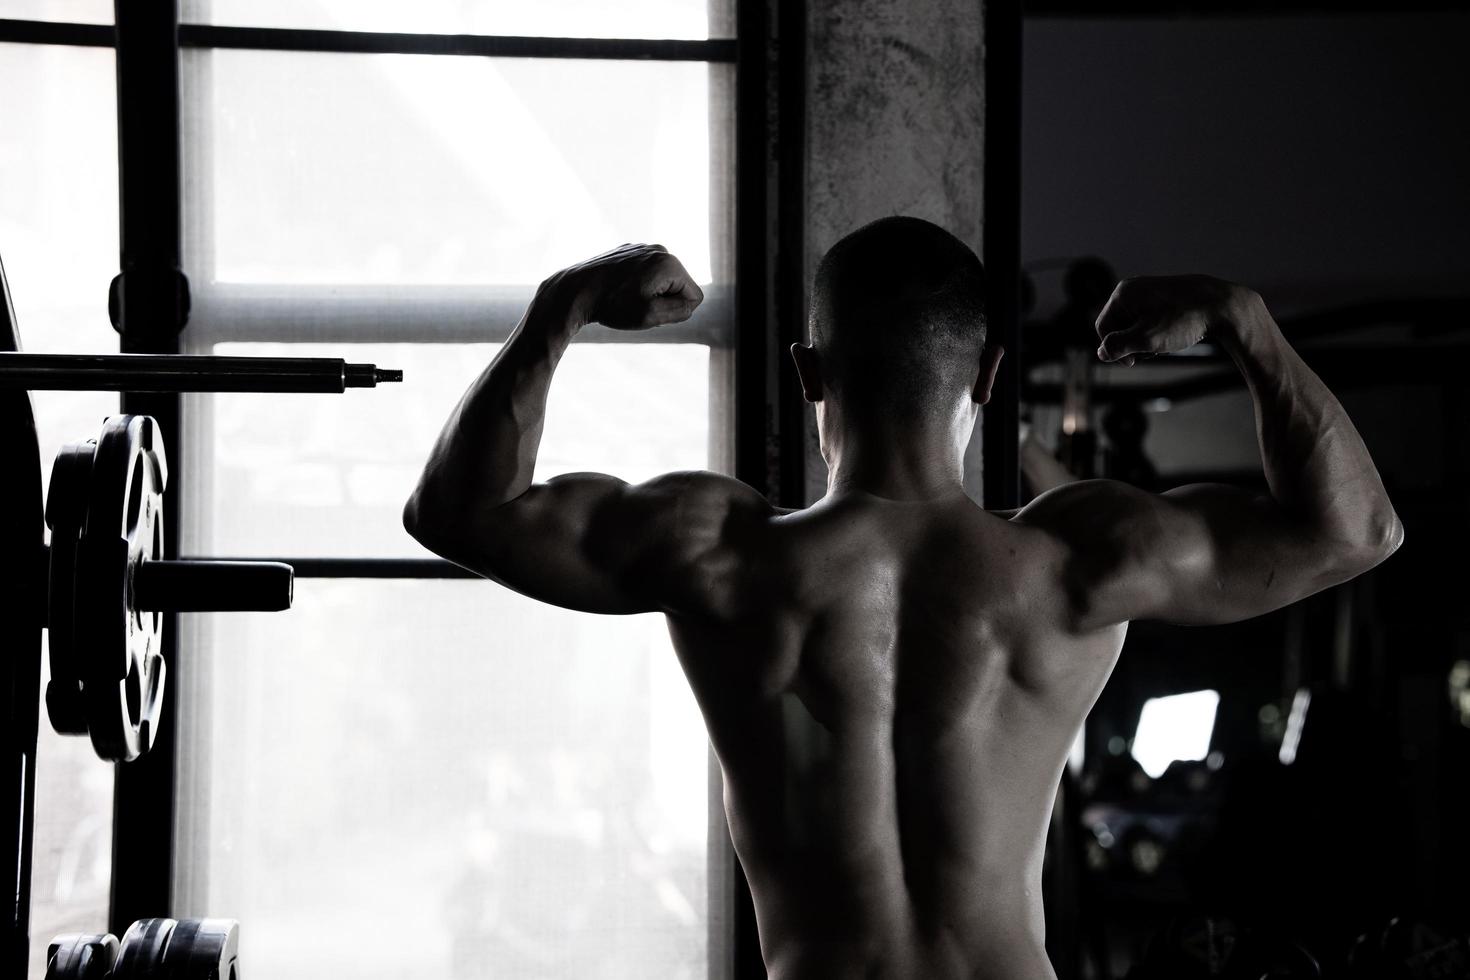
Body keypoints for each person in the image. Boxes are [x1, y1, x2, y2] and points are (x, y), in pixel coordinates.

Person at [405, 217, 1403, 979]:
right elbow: (1357, 531)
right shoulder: (1074, 562)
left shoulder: (718, 552)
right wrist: (1247, 326)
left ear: (808, 373)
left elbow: (459, 511)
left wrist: (564, 303)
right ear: (991, 375)